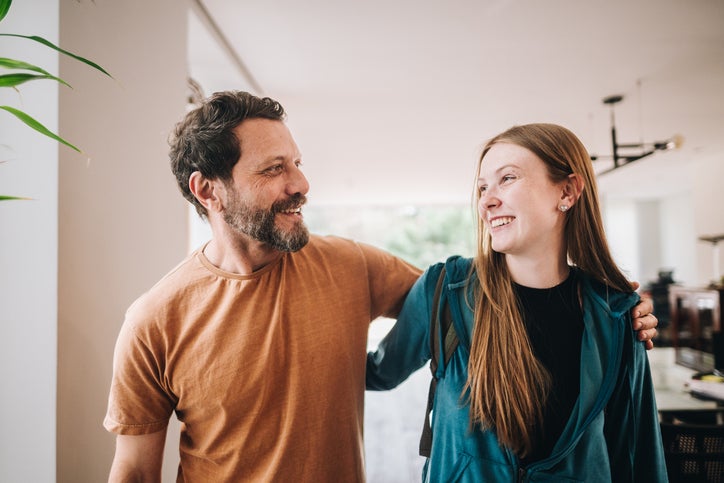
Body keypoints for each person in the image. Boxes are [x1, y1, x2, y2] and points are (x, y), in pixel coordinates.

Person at [104, 92, 659, 482]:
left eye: (297, 163)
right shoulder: (155, 319)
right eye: (275, 169)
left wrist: (621, 309)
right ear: (208, 191)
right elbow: (132, 472)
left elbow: (472, 306)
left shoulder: (351, 265)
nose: (301, 183)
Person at [367, 123, 668, 482]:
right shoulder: (446, 289)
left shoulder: (616, 313)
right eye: (482, 187)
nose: (487, 200)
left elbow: (636, 452)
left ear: (567, 192)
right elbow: (376, 373)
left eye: (507, 178)